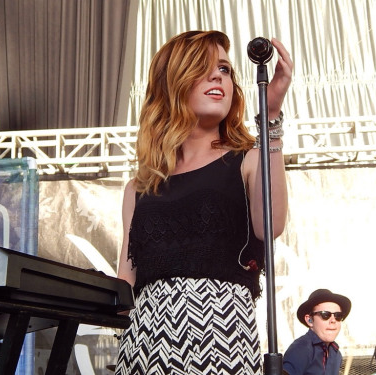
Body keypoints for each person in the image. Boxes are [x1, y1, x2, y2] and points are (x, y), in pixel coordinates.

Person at [115, 30, 293, 374]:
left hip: (221, 338)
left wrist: (270, 116)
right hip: (143, 345)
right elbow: (126, 279)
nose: (218, 76)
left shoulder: (250, 160)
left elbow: (270, 223)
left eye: (225, 69)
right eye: (203, 67)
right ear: (172, 83)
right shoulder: (139, 187)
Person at [283, 289, 352, 375]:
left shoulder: (336, 354)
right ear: (309, 320)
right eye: (325, 315)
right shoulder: (301, 349)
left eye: (338, 316)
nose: (333, 320)